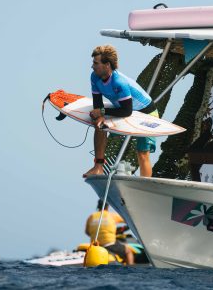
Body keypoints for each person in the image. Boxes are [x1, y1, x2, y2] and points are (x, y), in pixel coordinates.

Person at [84, 45, 158, 178]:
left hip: (146, 113)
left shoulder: (119, 82)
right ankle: (98, 167)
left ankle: (145, 185)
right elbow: (97, 102)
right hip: (123, 110)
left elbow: (126, 111)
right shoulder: (95, 77)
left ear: (107, 65)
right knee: (99, 124)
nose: (92, 66)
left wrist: (101, 111)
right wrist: (100, 115)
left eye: (96, 63)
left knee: (142, 152)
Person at [85, 200, 134, 265]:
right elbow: (128, 220)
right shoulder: (112, 215)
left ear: (98, 206)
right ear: (107, 207)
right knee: (128, 252)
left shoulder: (91, 217)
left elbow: (87, 232)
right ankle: (130, 271)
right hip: (109, 243)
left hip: (95, 244)